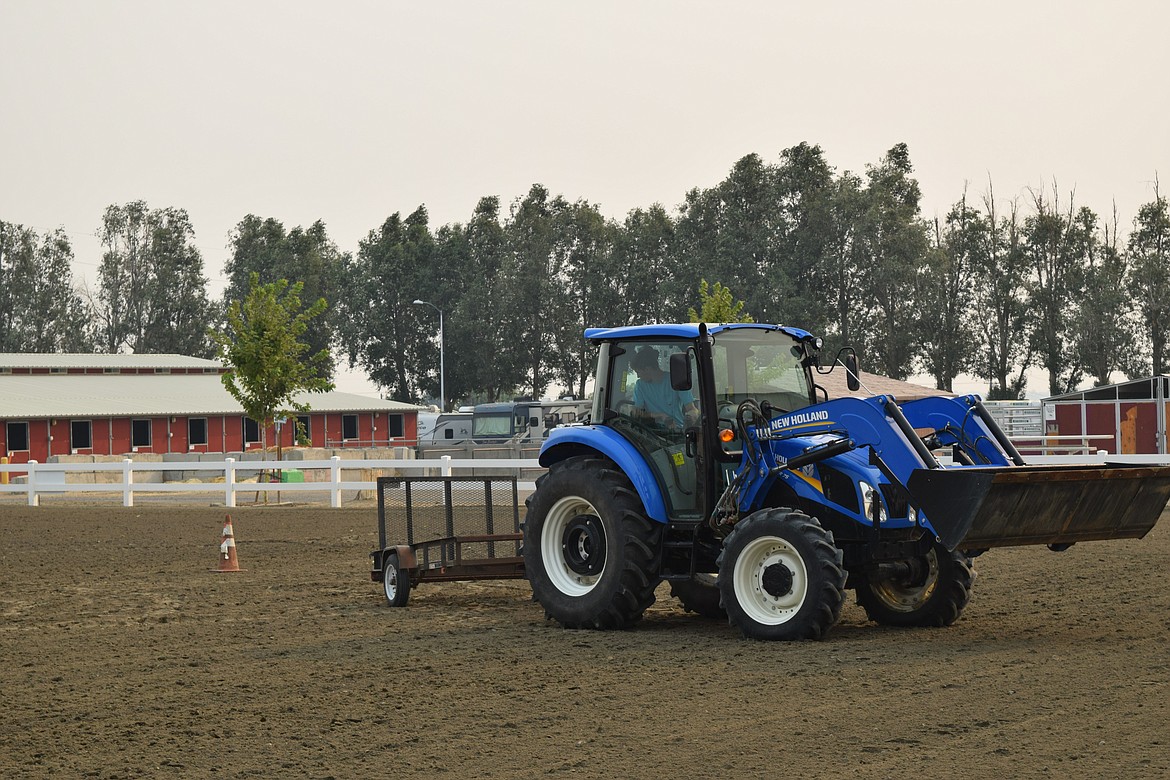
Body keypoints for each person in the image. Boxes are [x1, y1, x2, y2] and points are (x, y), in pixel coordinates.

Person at [630, 346, 699, 430]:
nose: (638, 376)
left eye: (638, 372)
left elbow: (692, 409)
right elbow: (637, 413)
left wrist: (690, 417)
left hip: (676, 429)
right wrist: (659, 415)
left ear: (647, 369)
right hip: (651, 431)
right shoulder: (640, 385)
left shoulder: (676, 380)